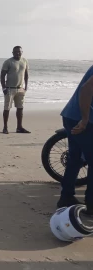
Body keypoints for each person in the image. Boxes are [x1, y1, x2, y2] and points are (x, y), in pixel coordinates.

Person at [57, 65, 93, 212]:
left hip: (71, 116)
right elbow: (86, 90)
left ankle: (66, 197)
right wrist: (84, 120)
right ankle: (91, 205)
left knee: (75, 159)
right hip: (82, 120)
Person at [0, 46, 30, 134]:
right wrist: (4, 87)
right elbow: (2, 75)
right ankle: (5, 127)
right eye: (16, 52)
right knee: (7, 108)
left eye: (19, 52)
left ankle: (19, 127)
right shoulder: (8, 62)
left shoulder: (24, 61)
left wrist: (26, 86)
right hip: (9, 89)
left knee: (20, 108)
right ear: (12, 52)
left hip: (20, 89)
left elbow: (26, 74)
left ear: (22, 52)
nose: (17, 53)